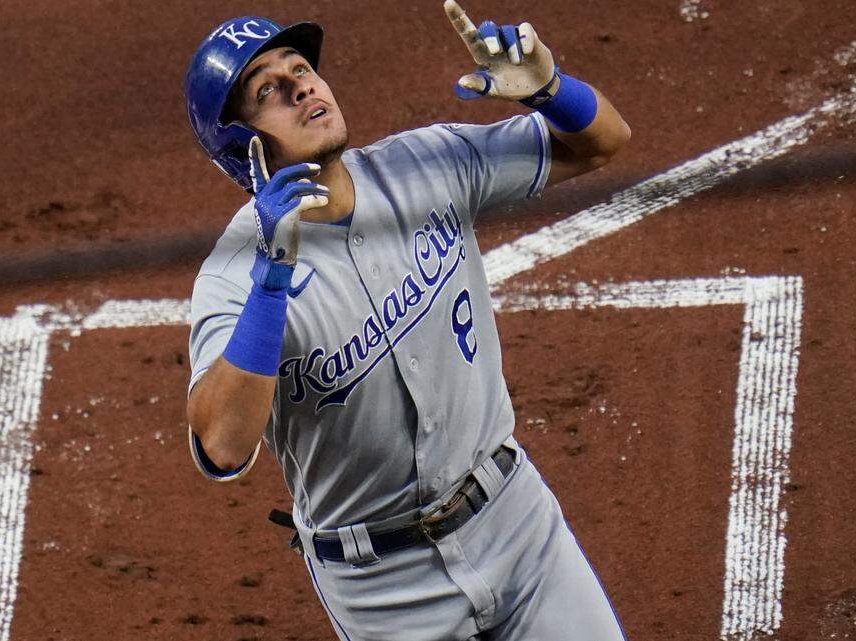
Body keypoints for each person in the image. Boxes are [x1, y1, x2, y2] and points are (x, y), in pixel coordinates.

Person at [183, 2, 631, 639]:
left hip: (516, 524)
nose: (303, 85)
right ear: (241, 147)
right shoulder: (231, 278)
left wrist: (549, 90)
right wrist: (273, 280)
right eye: (270, 91)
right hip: (386, 592)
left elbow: (602, 144)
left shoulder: (426, 165)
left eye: (301, 68)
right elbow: (222, 448)